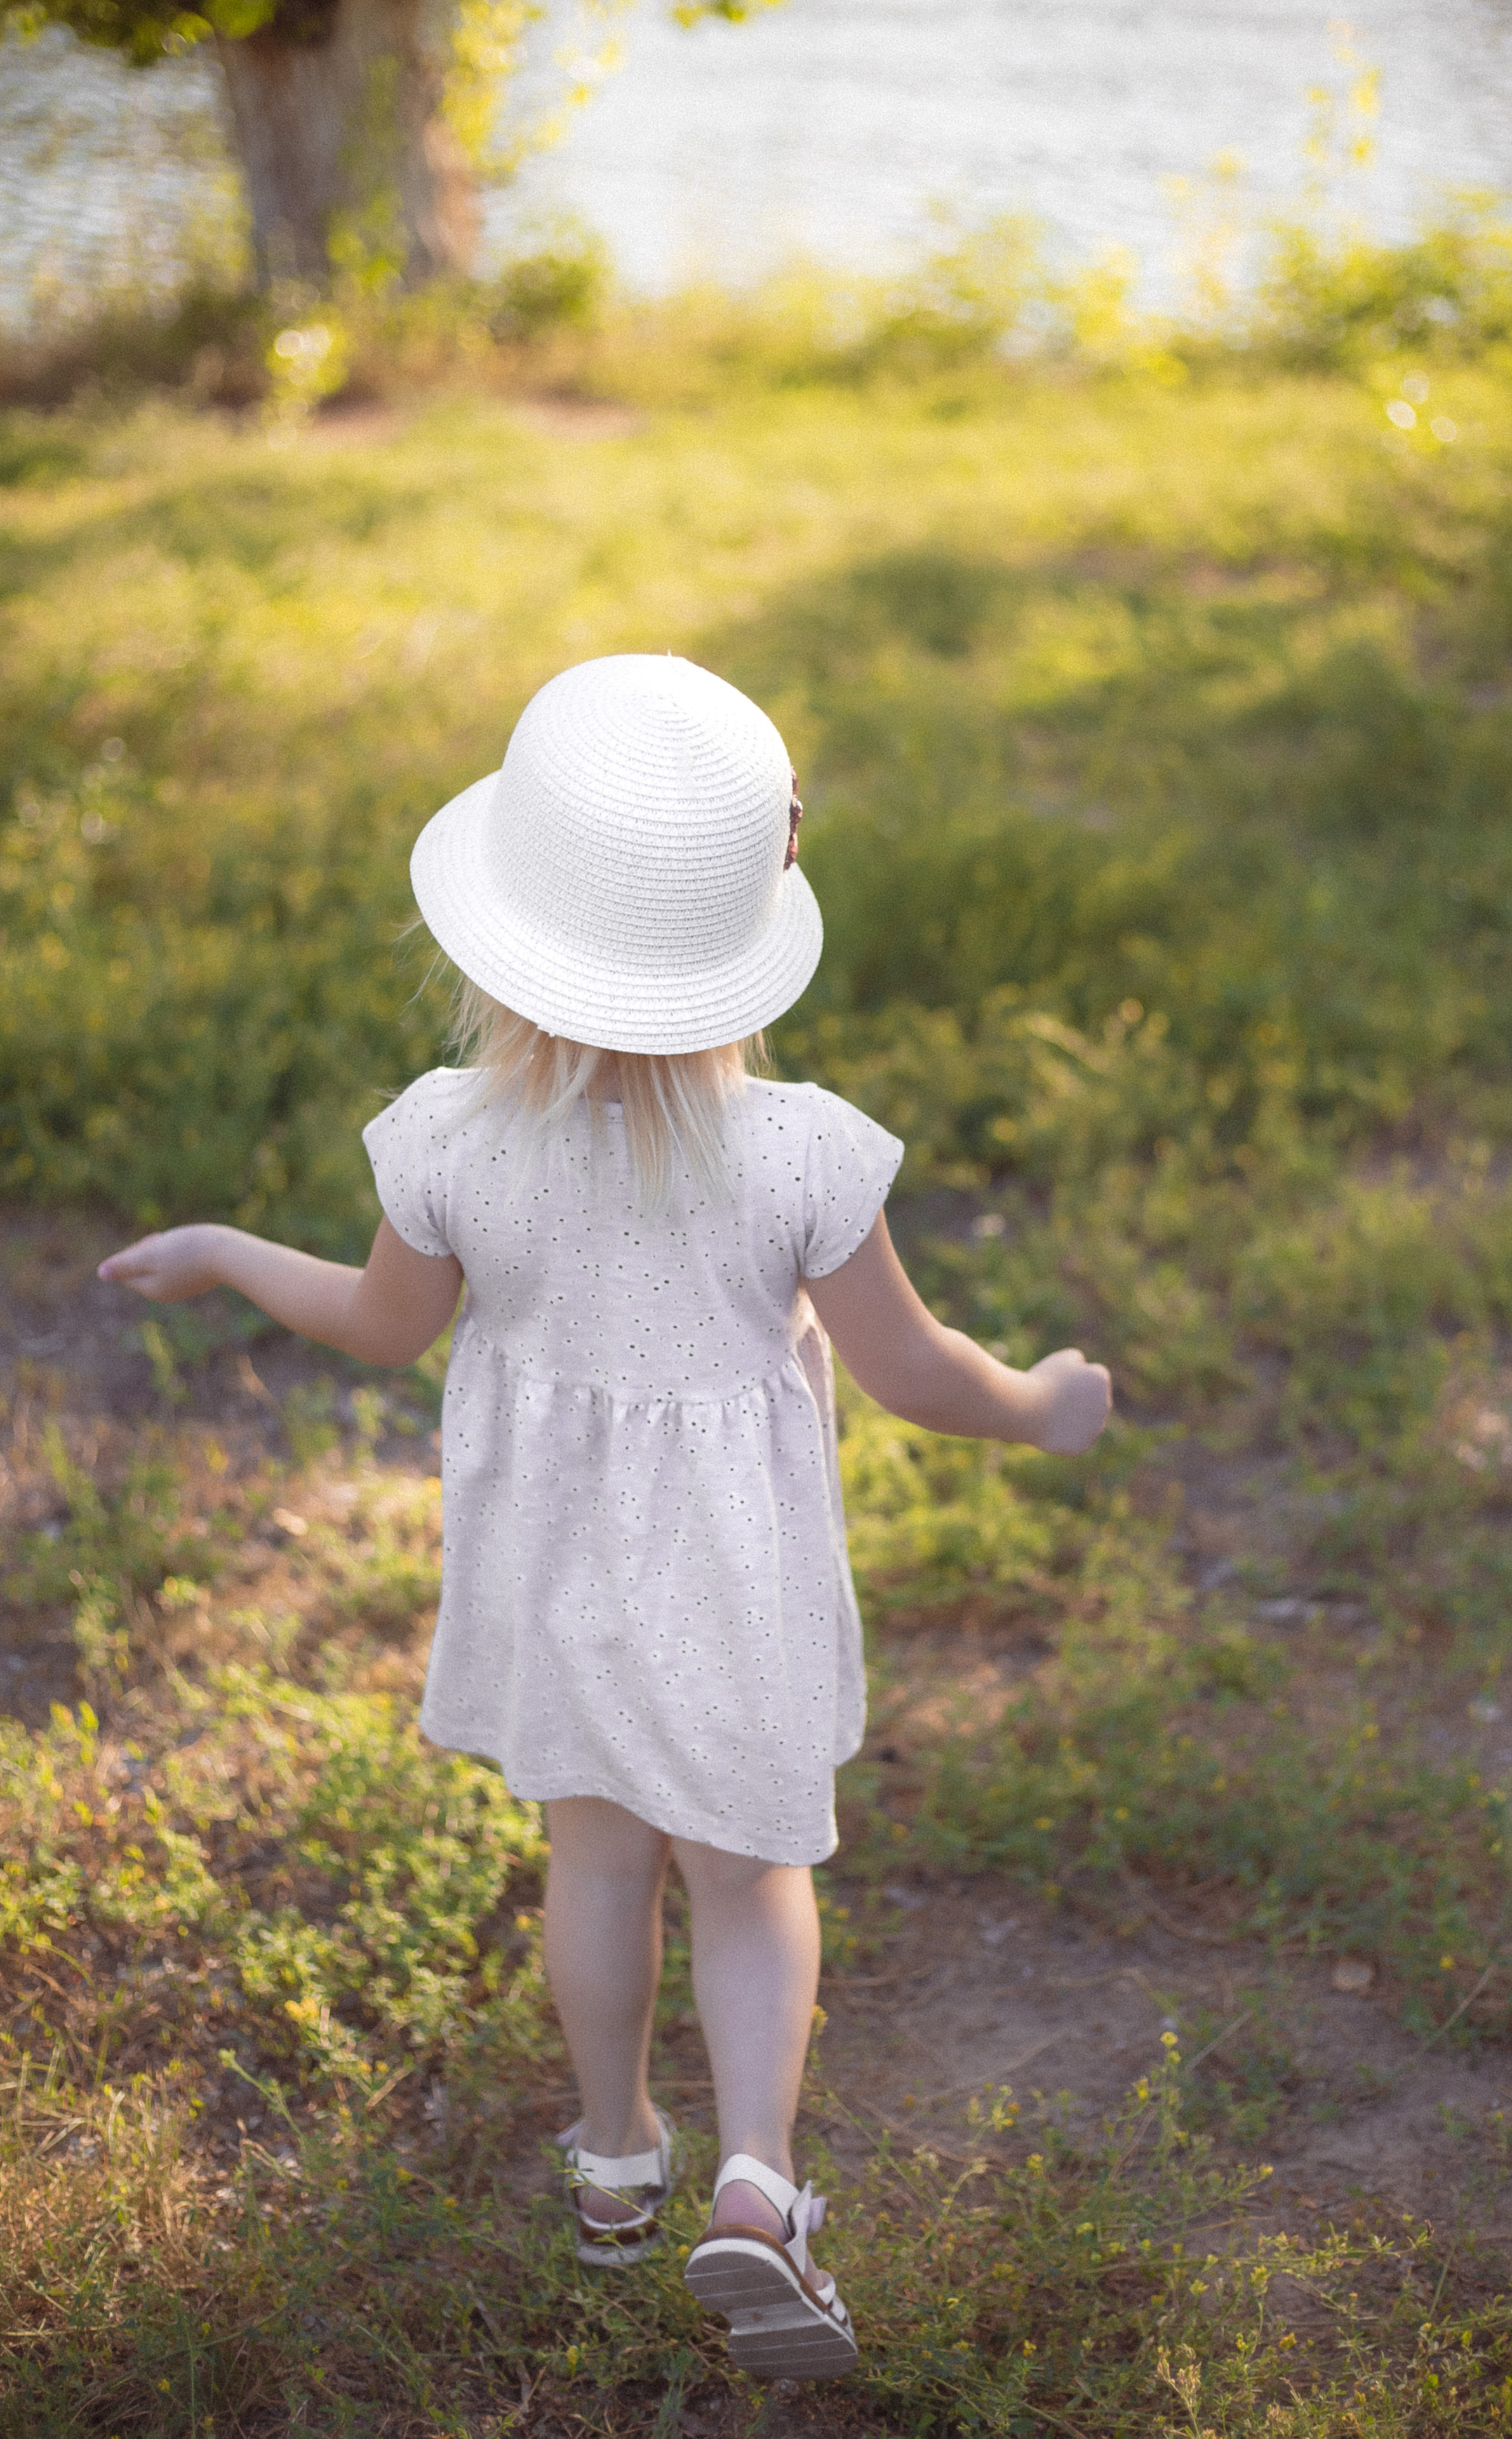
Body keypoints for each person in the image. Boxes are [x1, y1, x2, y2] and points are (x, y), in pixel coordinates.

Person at [99, 654, 1112, 2379]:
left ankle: (616, 2161)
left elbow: (376, 1323)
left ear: (504, 927)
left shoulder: (449, 1141)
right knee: (745, 1874)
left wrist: (214, 1248)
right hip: (732, 1587)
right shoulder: (798, 1155)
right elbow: (919, 1368)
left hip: (550, 1574)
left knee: (595, 1859)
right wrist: (1044, 1402)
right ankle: (759, 2183)